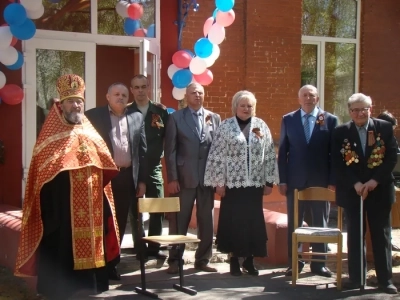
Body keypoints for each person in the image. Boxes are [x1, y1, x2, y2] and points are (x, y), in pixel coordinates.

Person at [15, 74, 120, 300]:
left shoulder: (90, 132)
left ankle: (92, 286)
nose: (76, 105)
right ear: (61, 106)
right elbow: (41, 172)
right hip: (61, 208)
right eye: (71, 101)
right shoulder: (50, 136)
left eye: (79, 101)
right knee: (62, 247)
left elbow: (104, 163)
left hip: (91, 205)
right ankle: (59, 289)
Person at [204, 90, 277, 276]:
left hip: (254, 185)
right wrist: (219, 182)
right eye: (242, 105)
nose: (246, 108)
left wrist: (269, 181)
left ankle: (250, 261)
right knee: (234, 222)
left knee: (252, 222)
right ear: (235, 106)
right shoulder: (226, 126)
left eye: (249, 106)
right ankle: (234, 260)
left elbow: (269, 154)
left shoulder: (261, 126)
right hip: (232, 185)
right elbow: (217, 155)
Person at [332, 93, 398, 294]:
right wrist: (356, 183)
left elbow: (391, 157)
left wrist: (373, 181)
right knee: (355, 235)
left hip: (379, 189)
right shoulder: (340, 132)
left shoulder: (384, 128)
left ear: (370, 109)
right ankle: (356, 279)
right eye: (355, 110)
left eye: (364, 109)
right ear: (349, 111)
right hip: (354, 192)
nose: (360, 113)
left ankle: (385, 280)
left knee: (382, 235)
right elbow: (337, 162)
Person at [85, 82, 147, 280]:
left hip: (127, 177)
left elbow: (142, 152)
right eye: (116, 94)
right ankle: (96, 263)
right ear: (107, 97)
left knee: (118, 223)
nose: (120, 97)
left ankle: (112, 264)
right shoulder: (93, 116)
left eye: (123, 94)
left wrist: (142, 180)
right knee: (100, 221)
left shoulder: (137, 117)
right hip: (102, 177)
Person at [278, 84, 338, 277]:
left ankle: (319, 264)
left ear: (317, 99)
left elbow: (334, 154)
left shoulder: (330, 120)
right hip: (295, 181)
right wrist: (283, 180)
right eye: (304, 95)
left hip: (320, 181)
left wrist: (332, 180)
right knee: (294, 222)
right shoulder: (288, 119)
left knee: (320, 222)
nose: (308, 98)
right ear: (299, 99)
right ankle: (295, 262)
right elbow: (283, 153)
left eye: (312, 95)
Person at [164, 82, 221, 274]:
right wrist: (172, 178)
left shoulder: (214, 118)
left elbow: (218, 151)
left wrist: (218, 178)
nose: (197, 95)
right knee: (179, 220)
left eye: (200, 92)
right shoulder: (176, 118)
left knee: (206, 221)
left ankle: (203, 260)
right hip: (184, 177)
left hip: (207, 179)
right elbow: (170, 150)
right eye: (193, 92)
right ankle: (174, 260)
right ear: (186, 96)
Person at [128, 74, 169, 259]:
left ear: (148, 88)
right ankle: (139, 246)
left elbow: (168, 138)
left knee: (157, 205)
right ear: (131, 90)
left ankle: (154, 246)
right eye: (136, 87)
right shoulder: (127, 111)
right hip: (134, 168)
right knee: (135, 208)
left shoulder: (160, 112)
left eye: (143, 86)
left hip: (154, 167)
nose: (140, 91)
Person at [377, 110, 400, 252]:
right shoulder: (373, 136)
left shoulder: (392, 139)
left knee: (387, 217)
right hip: (373, 183)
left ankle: (388, 241)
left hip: (387, 183)